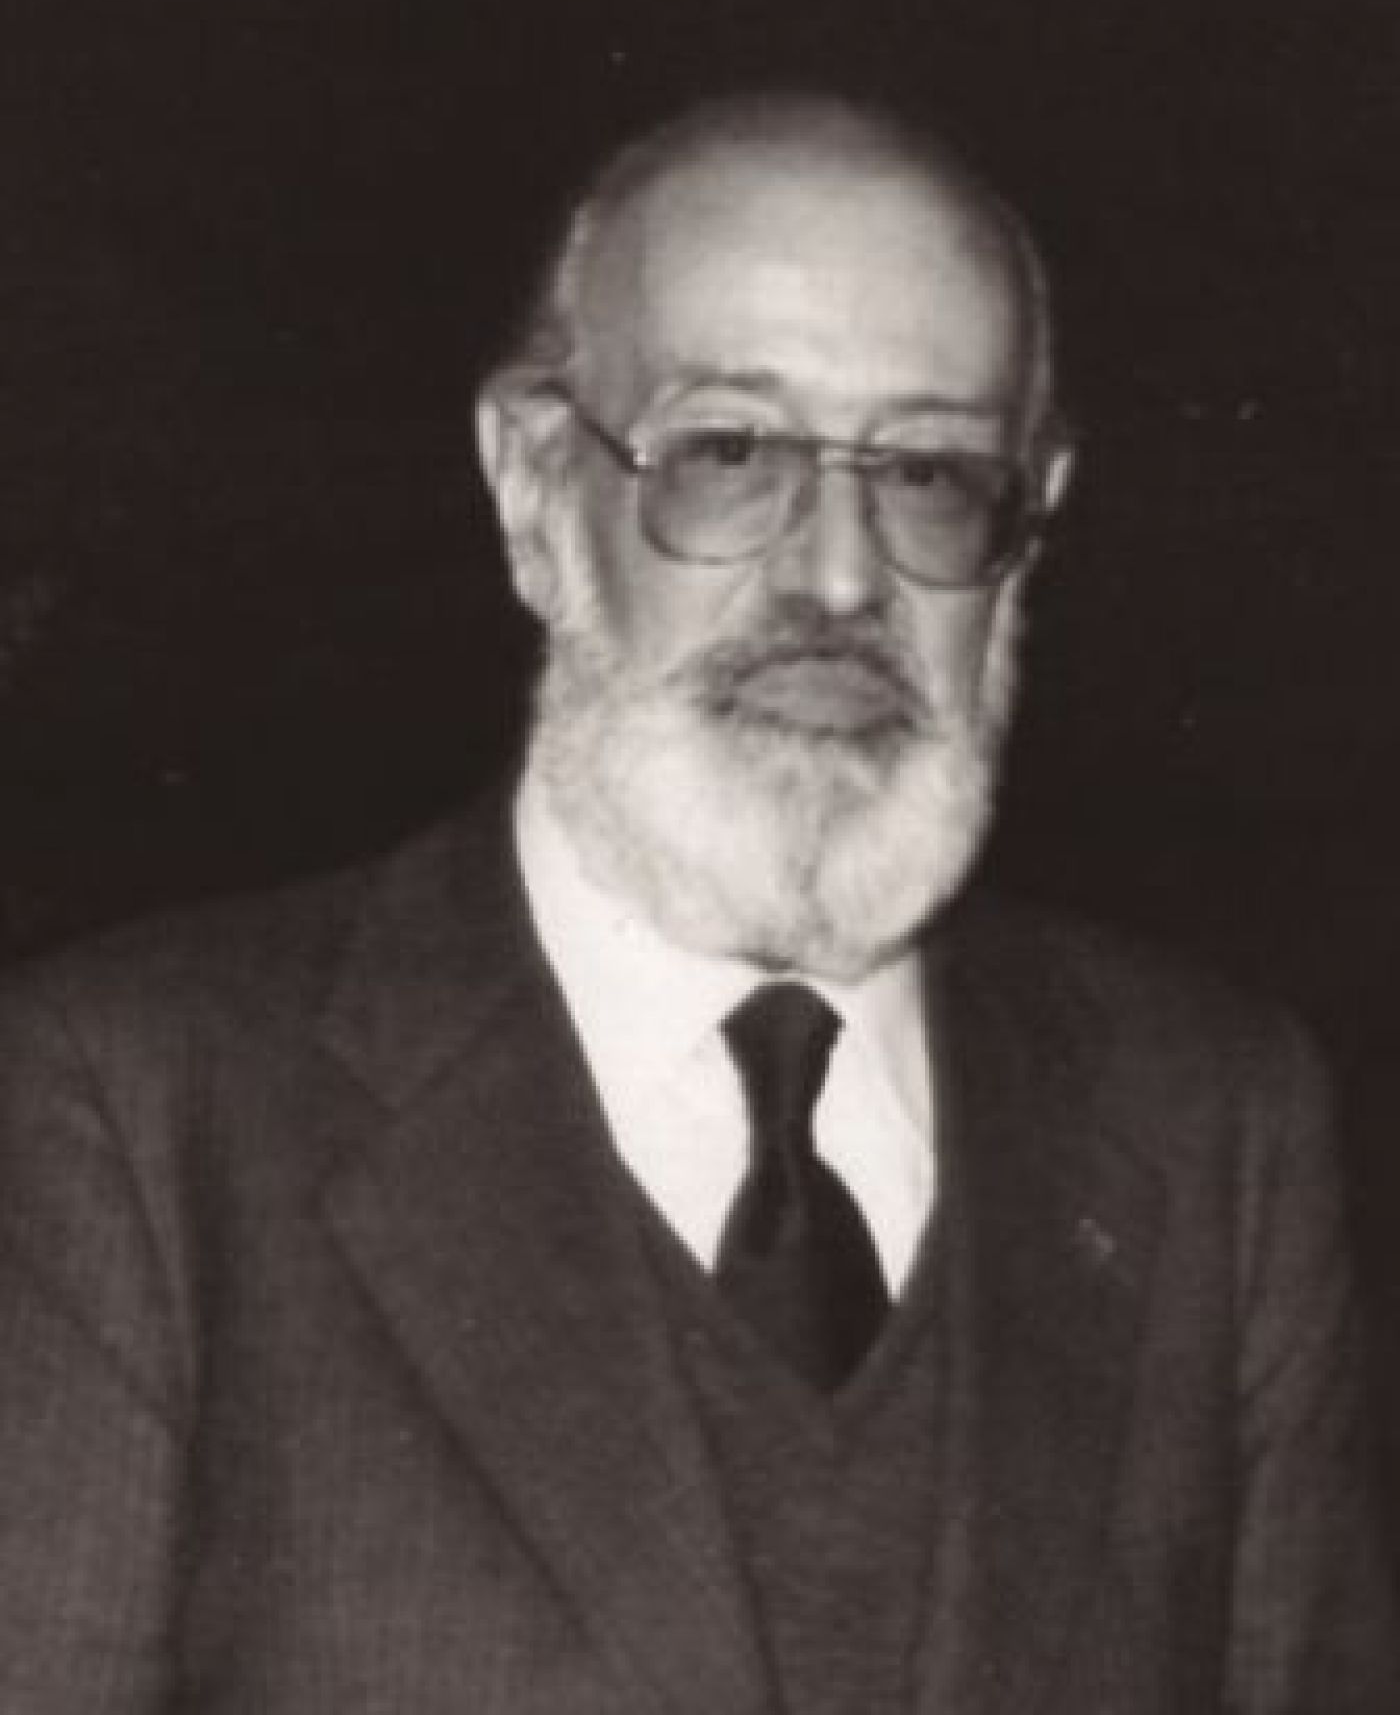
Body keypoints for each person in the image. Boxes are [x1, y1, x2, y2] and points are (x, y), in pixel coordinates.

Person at [0, 89, 1394, 1715]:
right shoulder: (138, 1118)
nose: (841, 577)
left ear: (1031, 526)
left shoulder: (1215, 1128)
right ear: (536, 486)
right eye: (731, 453)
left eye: (933, 475)